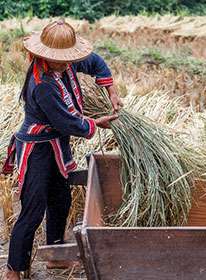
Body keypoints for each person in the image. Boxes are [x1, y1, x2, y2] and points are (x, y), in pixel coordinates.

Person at [2, 20, 123, 280]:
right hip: (37, 150)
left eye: (69, 59)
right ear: (45, 55)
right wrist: (94, 123)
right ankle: (13, 268)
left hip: (56, 144)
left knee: (61, 200)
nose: (69, 64)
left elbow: (96, 62)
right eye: (62, 60)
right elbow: (65, 122)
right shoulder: (43, 83)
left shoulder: (62, 64)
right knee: (32, 210)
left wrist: (111, 90)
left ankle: (55, 256)